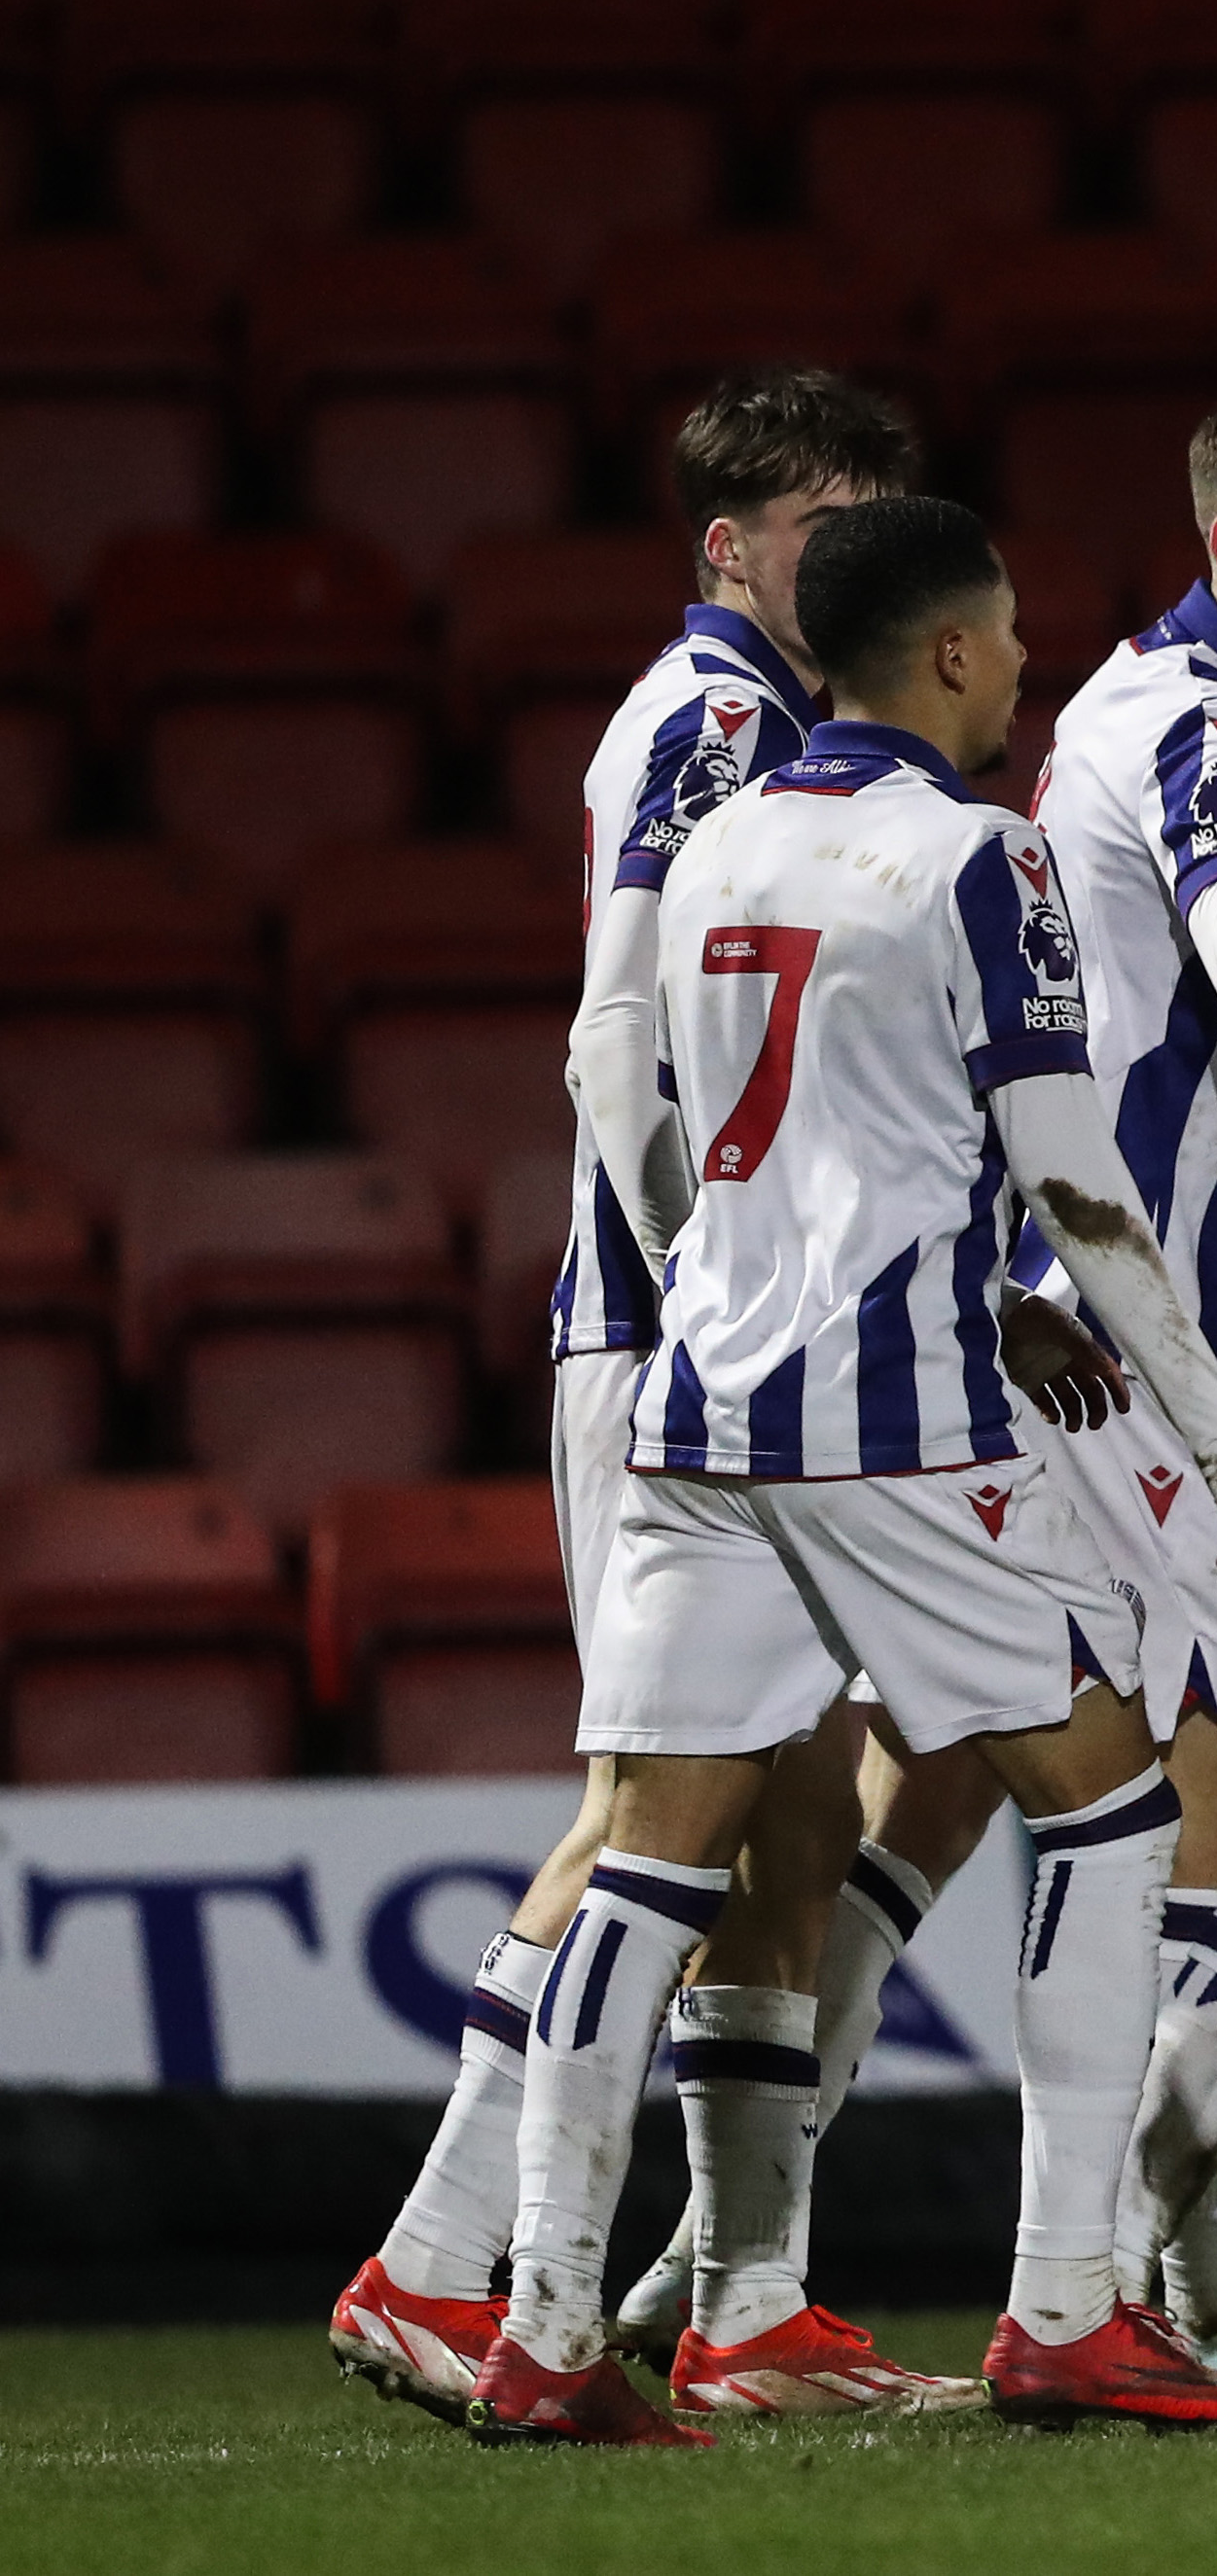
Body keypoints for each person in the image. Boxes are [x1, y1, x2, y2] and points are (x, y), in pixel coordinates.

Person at [604, 383, 1217, 2406]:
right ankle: (1174, 2299)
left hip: (1043, 1329)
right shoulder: (1216, 729)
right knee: (1186, 1807)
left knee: (928, 1803)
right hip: (1090, 1336)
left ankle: (723, 2276)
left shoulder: (1195, 712)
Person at [465, 495, 1217, 2446]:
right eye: (1007, 639)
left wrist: (726, 1293)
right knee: (1106, 1817)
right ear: (943, 654)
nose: (1021, 667)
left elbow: (646, 1107)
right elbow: (1080, 1188)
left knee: (647, 1870)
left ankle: (542, 2332)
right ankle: (1065, 2308)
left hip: (702, 1417)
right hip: (897, 1432)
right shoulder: (976, 859)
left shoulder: (718, 840)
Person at [329, 368, 958, 2421]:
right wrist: (708, 1271)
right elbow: (616, 1044)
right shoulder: (710, 719)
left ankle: (753, 2304)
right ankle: (440, 2267)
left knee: (774, 1806)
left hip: (720, 1333)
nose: (852, 534)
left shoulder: (769, 722)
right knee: (650, 1810)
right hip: (679, 1337)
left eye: (881, 498)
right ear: (727, 543)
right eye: (816, 509)